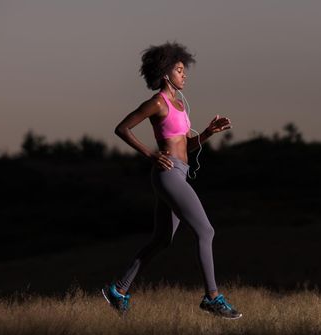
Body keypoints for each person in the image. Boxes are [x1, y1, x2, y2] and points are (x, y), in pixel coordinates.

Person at [101, 41, 242, 320]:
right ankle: (213, 298)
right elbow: (122, 128)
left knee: (162, 239)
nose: (184, 74)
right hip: (167, 174)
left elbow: (186, 146)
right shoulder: (157, 102)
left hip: (179, 172)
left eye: (184, 70)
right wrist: (151, 155)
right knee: (206, 231)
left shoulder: (179, 104)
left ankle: (119, 289)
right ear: (165, 73)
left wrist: (207, 133)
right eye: (179, 70)